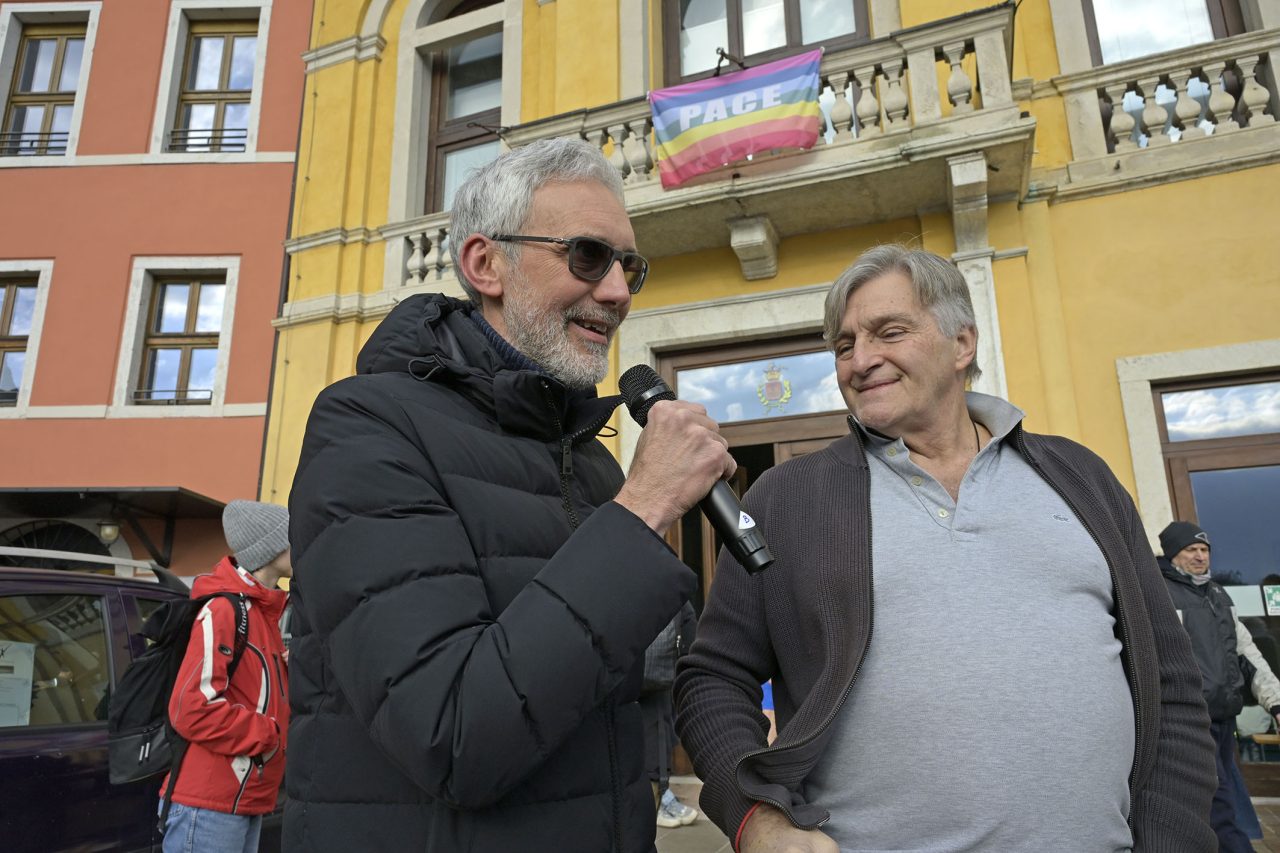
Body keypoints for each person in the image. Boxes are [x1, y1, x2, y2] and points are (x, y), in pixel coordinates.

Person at [675, 244, 1217, 852]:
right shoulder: (789, 497)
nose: (861, 360)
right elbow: (714, 676)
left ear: (962, 344)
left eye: (889, 332)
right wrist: (754, 818)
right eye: (844, 346)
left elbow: (1169, 680)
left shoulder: (1081, 476)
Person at [283, 137, 731, 852]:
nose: (617, 291)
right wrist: (643, 510)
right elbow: (452, 735)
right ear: (485, 264)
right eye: (588, 255)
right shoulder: (367, 427)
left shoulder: (588, 459)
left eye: (629, 266)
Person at [163, 499, 292, 853]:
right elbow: (191, 708)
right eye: (294, 537)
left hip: (243, 800)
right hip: (209, 805)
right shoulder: (223, 610)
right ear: (270, 547)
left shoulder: (263, 614)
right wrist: (269, 734)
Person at [1158, 520, 1280, 852]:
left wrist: (1275, 702)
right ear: (1173, 554)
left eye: (1204, 550)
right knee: (1219, 804)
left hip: (1225, 718)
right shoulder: (1161, 594)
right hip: (1191, 719)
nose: (1200, 556)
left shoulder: (1217, 594)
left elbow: (1247, 653)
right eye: (1191, 550)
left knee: (1220, 801)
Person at [641, 601, 699, 828]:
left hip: (619, 676)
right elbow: (690, 633)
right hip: (656, 677)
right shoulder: (669, 590)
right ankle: (660, 796)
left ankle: (661, 797)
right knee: (657, 731)